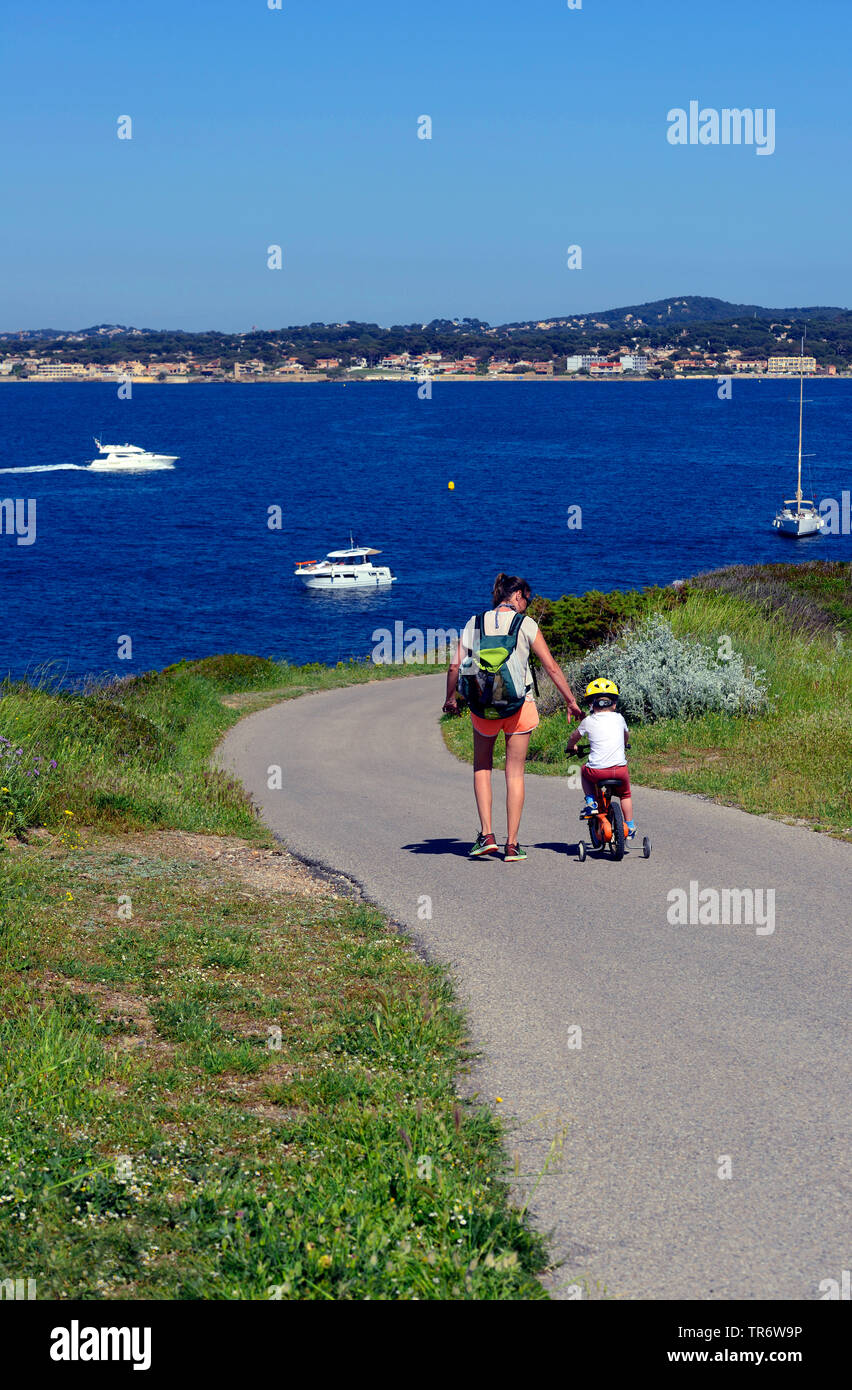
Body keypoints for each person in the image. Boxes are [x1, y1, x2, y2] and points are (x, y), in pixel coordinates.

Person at [444, 573, 583, 861]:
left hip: (484, 707)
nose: (527, 605)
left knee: (482, 767)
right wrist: (570, 701)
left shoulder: (475, 622)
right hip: (520, 706)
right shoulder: (526, 624)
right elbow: (552, 668)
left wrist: (449, 699)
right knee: (515, 773)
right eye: (527, 600)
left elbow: (454, 666)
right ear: (517, 595)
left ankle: (487, 836)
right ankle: (512, 844)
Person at [566, 679, 636, 837]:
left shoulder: (588, 721)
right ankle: (630, 825)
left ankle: (591, 802)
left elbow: (574, 737)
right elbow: (626, 735)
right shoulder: (619, 718)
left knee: (584, 771)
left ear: (590, 704)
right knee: (625, 794)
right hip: (620, 770)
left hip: (597, 771)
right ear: (614, 703)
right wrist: (624, 744)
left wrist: (572, 747)